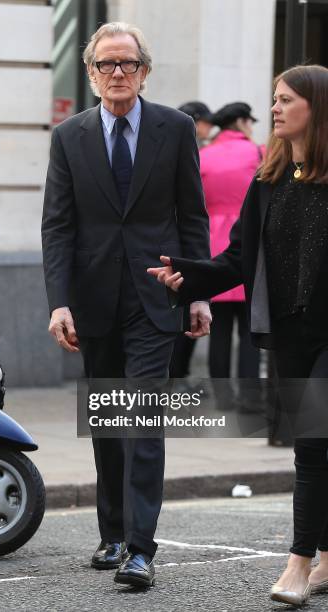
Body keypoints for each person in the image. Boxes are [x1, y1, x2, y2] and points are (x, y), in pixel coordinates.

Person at [148, 64, 328, 605]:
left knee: (316, 442)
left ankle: (298, 562)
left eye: (285, 100)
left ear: (315, 109)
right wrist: (187, 276)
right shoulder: (269, 182)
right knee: (315, 447)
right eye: (273, 98)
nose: (273, 108)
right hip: (292, 334)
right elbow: (237, 259)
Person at [41, 21, 211, 588]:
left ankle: (141, 548)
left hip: (154, 298)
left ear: (145, 71)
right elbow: (58, 227)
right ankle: (112, 534)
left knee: (141, 417)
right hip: (92, 303)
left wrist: (197, 292)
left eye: (128, 64)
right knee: (109, 423)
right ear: (90, 74)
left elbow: (193, 216)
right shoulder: (69, 137)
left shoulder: (176, 128)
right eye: (106, 65)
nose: (118, 73)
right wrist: (60, 303)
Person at [201, 103, 261, 402]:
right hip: (248, 244)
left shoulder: (203, 155)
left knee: (219, 328)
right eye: (250, 121)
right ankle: (250, 399)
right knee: (251, 330)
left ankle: (222, 396)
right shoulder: (256, 153)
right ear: (240, 121)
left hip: (212, 247)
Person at [169, 101, 213, 381]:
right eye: (207, 122)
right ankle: (178, 374)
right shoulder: (191, 150)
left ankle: (177, 375)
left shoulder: (206, 154)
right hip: (184, 251)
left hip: (195, 249)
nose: (211, 128)